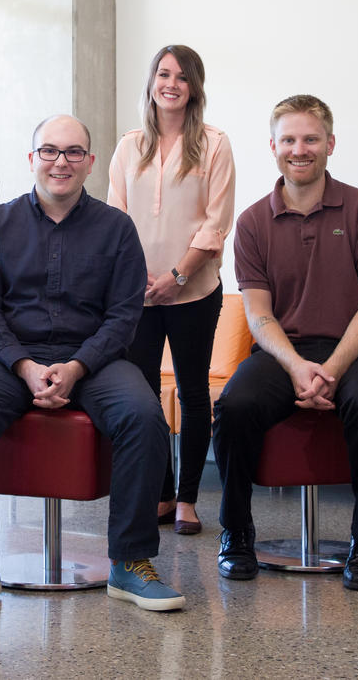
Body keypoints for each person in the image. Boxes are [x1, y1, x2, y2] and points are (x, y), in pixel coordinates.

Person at [0, 115, 185, 613]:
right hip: (10, 360)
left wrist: (78, 366)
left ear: (89, 162)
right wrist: (24, 365)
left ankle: (131, 564)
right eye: (50, 151)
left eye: (73, 152)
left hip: (97, 362)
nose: (61, 161)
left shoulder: (117, 228)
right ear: (32, 158)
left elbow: (123, 316)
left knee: (144, 416)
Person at [212, 94, 358, 591]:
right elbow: (259, 315)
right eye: (290, 139)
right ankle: (235, 532)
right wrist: (298, 366)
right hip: (283, 353)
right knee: (233, 404)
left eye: (311, 139)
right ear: (273, 146)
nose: (301, 149)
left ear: (330, 144)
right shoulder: (252, 223)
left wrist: (332, 368)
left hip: (356, 352)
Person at [107, 45, 236, 536]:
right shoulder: (128, 146)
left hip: (194, 291)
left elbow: (215, 224)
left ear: (195, 87)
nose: (172, 84)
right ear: (152, 81)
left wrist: (177, 277)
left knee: (192, 390)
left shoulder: (215, 144)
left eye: (182, 77)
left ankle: (187, 498)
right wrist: (138, 278)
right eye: (164, 74)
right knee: (142, 394)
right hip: (136, 295)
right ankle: (160, 492)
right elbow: (115, 219)